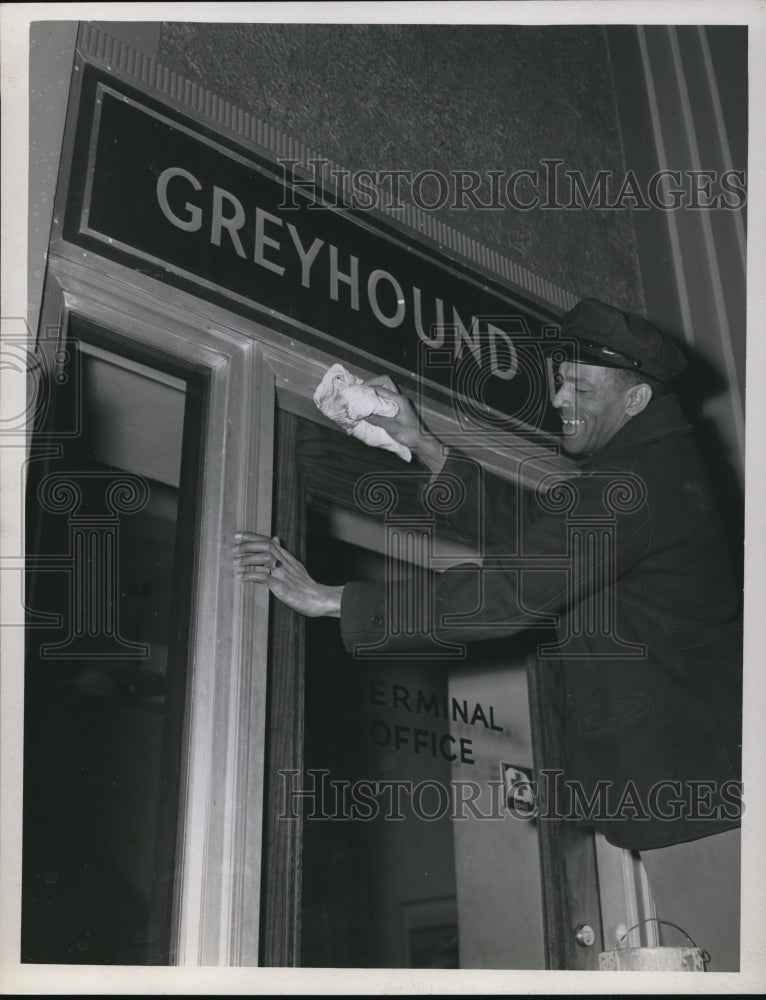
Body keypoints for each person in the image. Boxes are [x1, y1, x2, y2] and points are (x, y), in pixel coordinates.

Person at [235, 297, 743, 969]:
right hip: (700, 807)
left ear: (638, 397)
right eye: (562, 379)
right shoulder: (651, 472)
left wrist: (335, 602)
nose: (559, 397)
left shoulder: (637, 485)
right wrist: (425, 445)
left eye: (579, 387)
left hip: (707, 817)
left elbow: (509, 594)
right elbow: (538, 541)